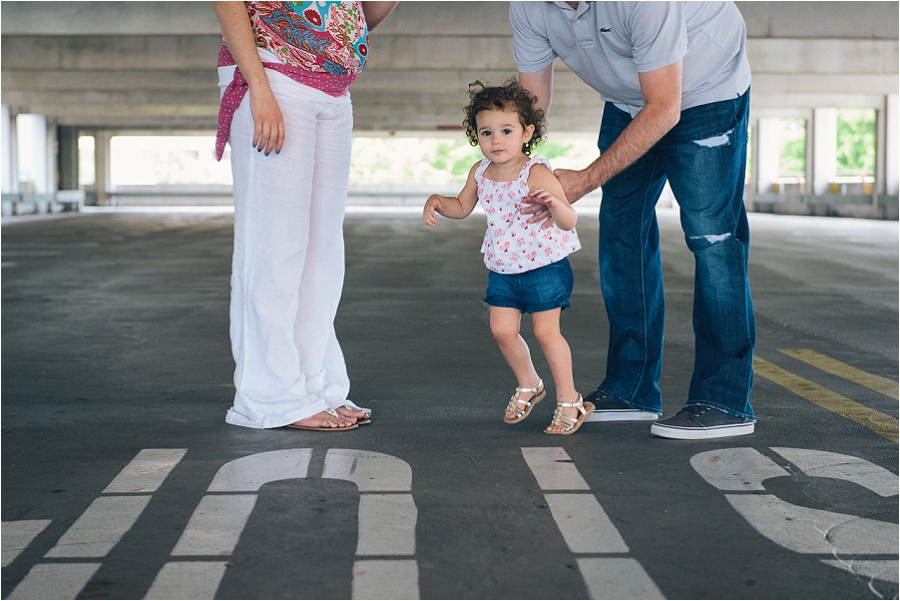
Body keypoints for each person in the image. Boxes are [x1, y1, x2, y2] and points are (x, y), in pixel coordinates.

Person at [510, 1, 756, 439]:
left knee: (712, 239)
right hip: (628, 102)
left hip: (707, 92)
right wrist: (510, 167)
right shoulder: (528, 5)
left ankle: (725, 400)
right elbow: (531, 106)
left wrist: (585, 179)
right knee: (622, 234)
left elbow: (664, 107)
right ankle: (632, 389)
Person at [213, 1, 396, 431]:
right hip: (274, 75)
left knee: (322, 251)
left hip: (333, 87)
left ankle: (316, 386)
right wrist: (259, 89)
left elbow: (360, 13)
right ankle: (270, 396)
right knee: (275, 245)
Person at [423, 80, 592, 435]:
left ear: (527, 133)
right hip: (503, 267)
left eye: (506, 130)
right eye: (486, 132)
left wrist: (555, 203)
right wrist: (440, 201)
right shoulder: (480, 173)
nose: (495, 140)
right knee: (501, 330)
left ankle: (570, 401)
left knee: (547, 333)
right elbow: (463, 206)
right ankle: (530, 384)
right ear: (476, 136)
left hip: (544, 267)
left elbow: (569, 220)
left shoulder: (536, 172)